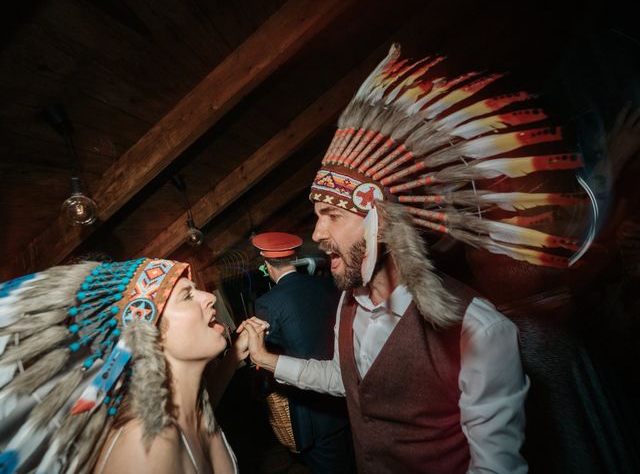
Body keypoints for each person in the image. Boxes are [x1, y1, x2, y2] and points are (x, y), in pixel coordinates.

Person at [240, 44, 593, 473]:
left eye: (331, 215)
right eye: (317, 218)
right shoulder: (351, 304)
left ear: (381, 223)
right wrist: (267, 359)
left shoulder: (478, 330)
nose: (316, 234)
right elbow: (346, 381)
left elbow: (496, 468)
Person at [0, 257, 266, 474]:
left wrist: (232, 360)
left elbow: (194, 421)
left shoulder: (194, 409)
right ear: (150, 333)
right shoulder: (147, 452)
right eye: (187, 296)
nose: (208, 297)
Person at [251, 232, 355, 474]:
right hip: (344, 394)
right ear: (295, 258)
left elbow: (266, 351)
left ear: (267, 266)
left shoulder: (268, 302)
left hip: (311, 409)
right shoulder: (328, 284)